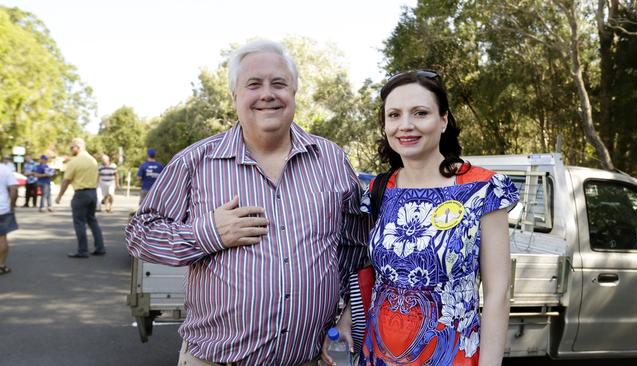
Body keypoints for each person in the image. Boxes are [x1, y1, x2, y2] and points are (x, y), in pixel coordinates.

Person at [125, 39, 369, 366]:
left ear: (293, 92)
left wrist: (347, 316)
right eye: (253, 84)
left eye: (278, 83)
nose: (267, 93)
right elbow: (140, 234)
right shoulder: (195, 162)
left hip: (310, 359)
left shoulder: (331, 160)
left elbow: (357, 245)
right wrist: (207, 233)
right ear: (235, 96)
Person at [322, 70, 519, 366]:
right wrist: (349, 319)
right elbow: (371, 274)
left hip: (452, 357)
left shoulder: (482, 189)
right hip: (378, 357)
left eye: (420, 113)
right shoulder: (378, 189)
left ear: (443, 120)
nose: (405, 125)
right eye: (394, 115)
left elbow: (497, 294)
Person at [55, 138, 106, 258]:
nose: (70, 149)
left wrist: (59, 196)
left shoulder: (74, 162)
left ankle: (83, 251)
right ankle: (100, 247)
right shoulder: (93, 160)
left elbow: (66, 180)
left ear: (77, 147)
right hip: (93, 193)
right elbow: (98, 177)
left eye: (71, 147)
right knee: (92, 220)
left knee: (79, 222)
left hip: (81, 195)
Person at [0, 159, 18, 275]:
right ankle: (1, 265)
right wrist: (12, 205)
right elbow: (14, 189)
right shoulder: (5, 169)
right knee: (2, 239)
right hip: (2, 209)